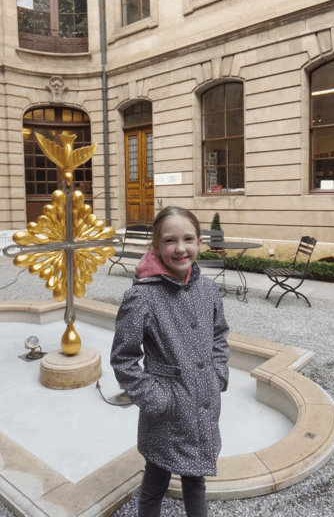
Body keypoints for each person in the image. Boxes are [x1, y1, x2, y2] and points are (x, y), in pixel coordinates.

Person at [110, 206, 229, 517]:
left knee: (196, 481)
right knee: (154, 485)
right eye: (170, 241)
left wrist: (218, 374)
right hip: (166, 414)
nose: (180, 249)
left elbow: (219, 335)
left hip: (203, 404)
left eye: (188, 239)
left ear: (200, 242)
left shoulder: (208, 289)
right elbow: (123, 358)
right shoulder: (143, 297)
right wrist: (158, 399)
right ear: (156, 246)